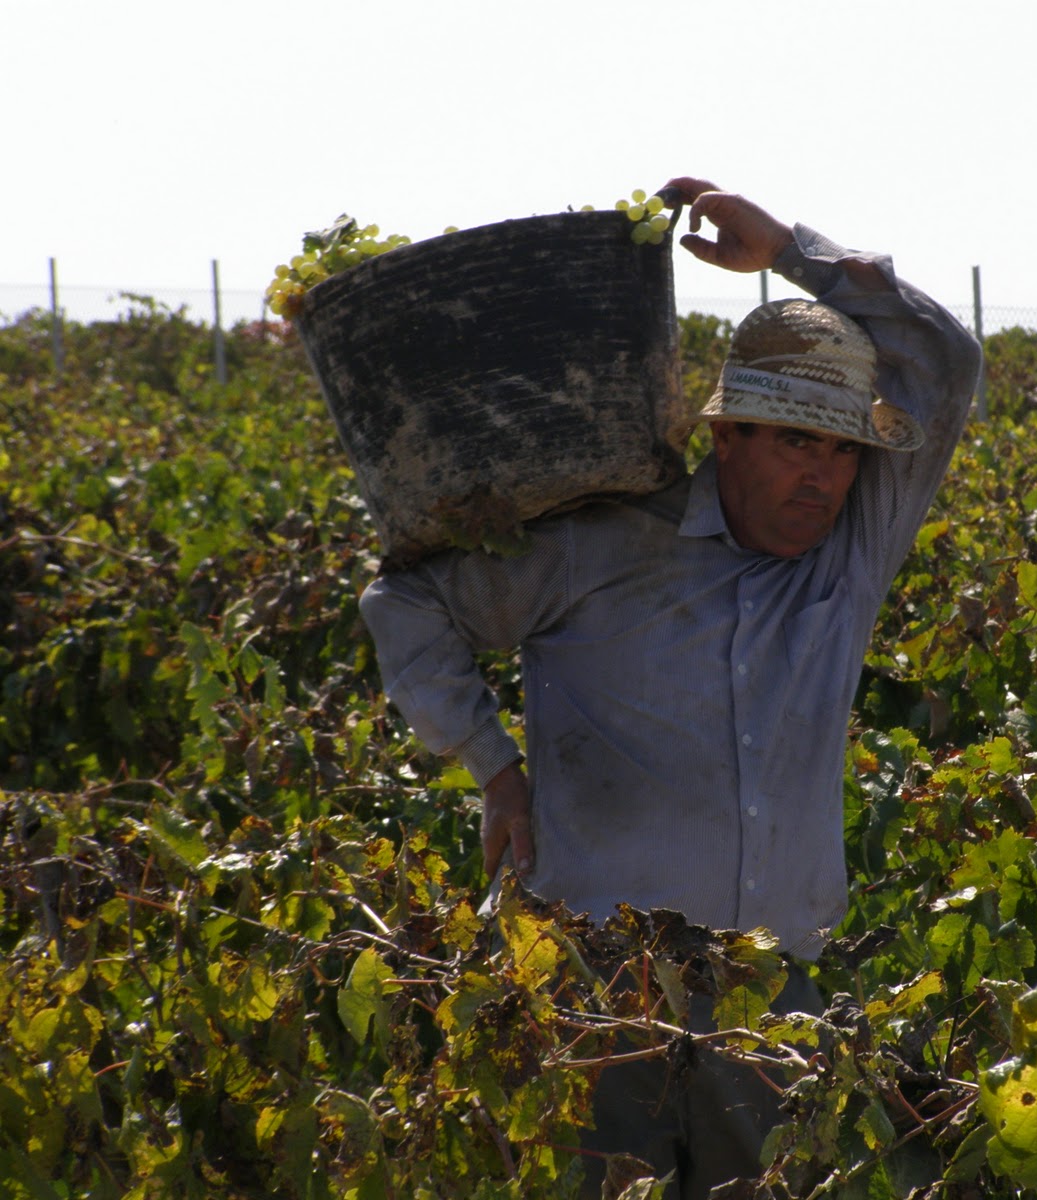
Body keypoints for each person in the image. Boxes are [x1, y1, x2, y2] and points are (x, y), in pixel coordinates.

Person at [357, 176, 983, 1196]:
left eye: (840, 451)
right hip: (594, 1005)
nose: (823, 478)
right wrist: (494, 770)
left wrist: (789, 246)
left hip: (773, 1005)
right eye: (793, 443)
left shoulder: (848, 556)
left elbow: (945, 361)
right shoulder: (602, 549)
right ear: (725, 437)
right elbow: (406, 605)